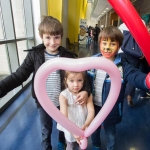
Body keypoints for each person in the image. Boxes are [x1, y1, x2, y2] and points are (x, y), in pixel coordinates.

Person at [0, 16, 91, 150]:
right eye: (48, 37)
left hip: (63, 101)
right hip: (43, 103)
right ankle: (46, 147)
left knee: (64, 126)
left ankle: (62, 143)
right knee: (45, 129)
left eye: (56, 37)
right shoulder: (35, 55)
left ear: (61, 37)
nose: (52, 42)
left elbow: (83, 77)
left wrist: (85, 91)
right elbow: (19, 75)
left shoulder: (68, 56)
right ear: (41, 37)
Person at [87, 26, 150, 150]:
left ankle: (110, 148)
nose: (107, 47)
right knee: (94, 129)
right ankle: (96, 145)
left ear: (119, 46)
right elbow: (82, 77)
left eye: (112, 44)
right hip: (93, 106)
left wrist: (146, 80)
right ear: (99, 43)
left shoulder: (122, 66)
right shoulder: (91, 61)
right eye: (104, 43)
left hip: (112, 109)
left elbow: (134, 75)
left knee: (110, 132)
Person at [57, 71, 94, 150]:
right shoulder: (64, 95)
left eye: (79, 80)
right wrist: (73, 131)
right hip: (70, 130)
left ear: (84, 80)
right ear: (66, 80)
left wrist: (87, 124)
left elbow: (91, 111)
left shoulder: (87, 95)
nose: (76, 85)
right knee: (70, 147)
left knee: (82, 147)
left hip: (83, 128)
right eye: (71, 81)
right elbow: (64, 117)